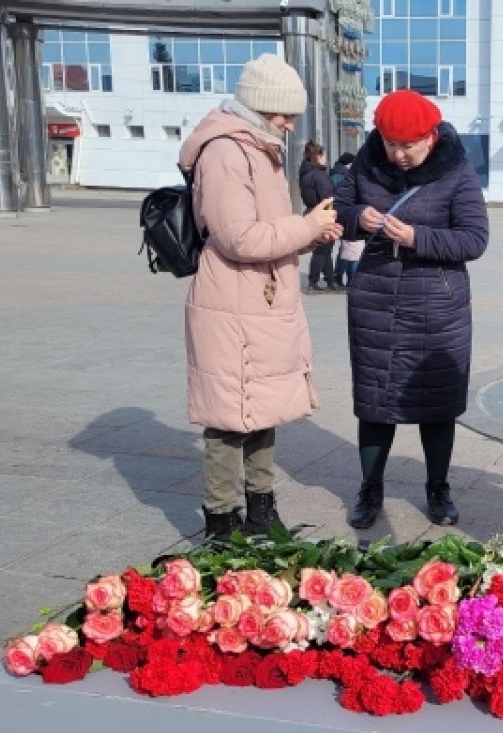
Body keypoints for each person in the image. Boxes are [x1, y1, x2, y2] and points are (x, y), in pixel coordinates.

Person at [180, 53, 342, 540]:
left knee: (264, 405)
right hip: (232, 299)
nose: (291, 125)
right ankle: (222, 521)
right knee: (230, 416)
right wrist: (305, 225)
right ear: (258, 105)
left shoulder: (260, 145)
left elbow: (267, 230)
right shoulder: (227, 151)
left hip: (259, 298)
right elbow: (240, 238)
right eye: (284, 114)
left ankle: (262, 509)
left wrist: (310, 234)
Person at [334, 89, 489, 529]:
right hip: (375, 299)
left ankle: (438, 487)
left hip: (438, 304)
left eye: (409, 145)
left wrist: (417, 238)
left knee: (437, 403)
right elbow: (338, 208)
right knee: (374, 401)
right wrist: (358, 214)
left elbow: (475, 238)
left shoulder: (457, 170)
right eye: (390, 144)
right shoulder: (366, 162)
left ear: (431, 136)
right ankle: (370, 488)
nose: (399, 154)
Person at [299, 140, 339, 293]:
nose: (326, 159)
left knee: (325, 250)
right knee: (322, 251)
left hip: (311, 211)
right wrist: (333, 215)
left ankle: (330, 281)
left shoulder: (305, 174)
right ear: (319, 156)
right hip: (323, 214)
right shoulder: (319, 175)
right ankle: (313, 281)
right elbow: (327, 196)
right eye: (324, 156)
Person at [331, 153, 359, 288]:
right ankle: (350, 280)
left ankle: (337, 276)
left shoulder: (332, 173)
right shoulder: (347, 175)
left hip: (336, 212)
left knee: (344, 248)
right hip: (348, 213)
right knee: (352, 249)